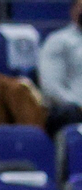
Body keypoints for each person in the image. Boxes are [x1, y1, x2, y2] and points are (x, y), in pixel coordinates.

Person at [38, 0, 82, 130]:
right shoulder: (59, 41)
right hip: (74, 110)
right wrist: (78, 105)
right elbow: (51, 88)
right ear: (73, 11)